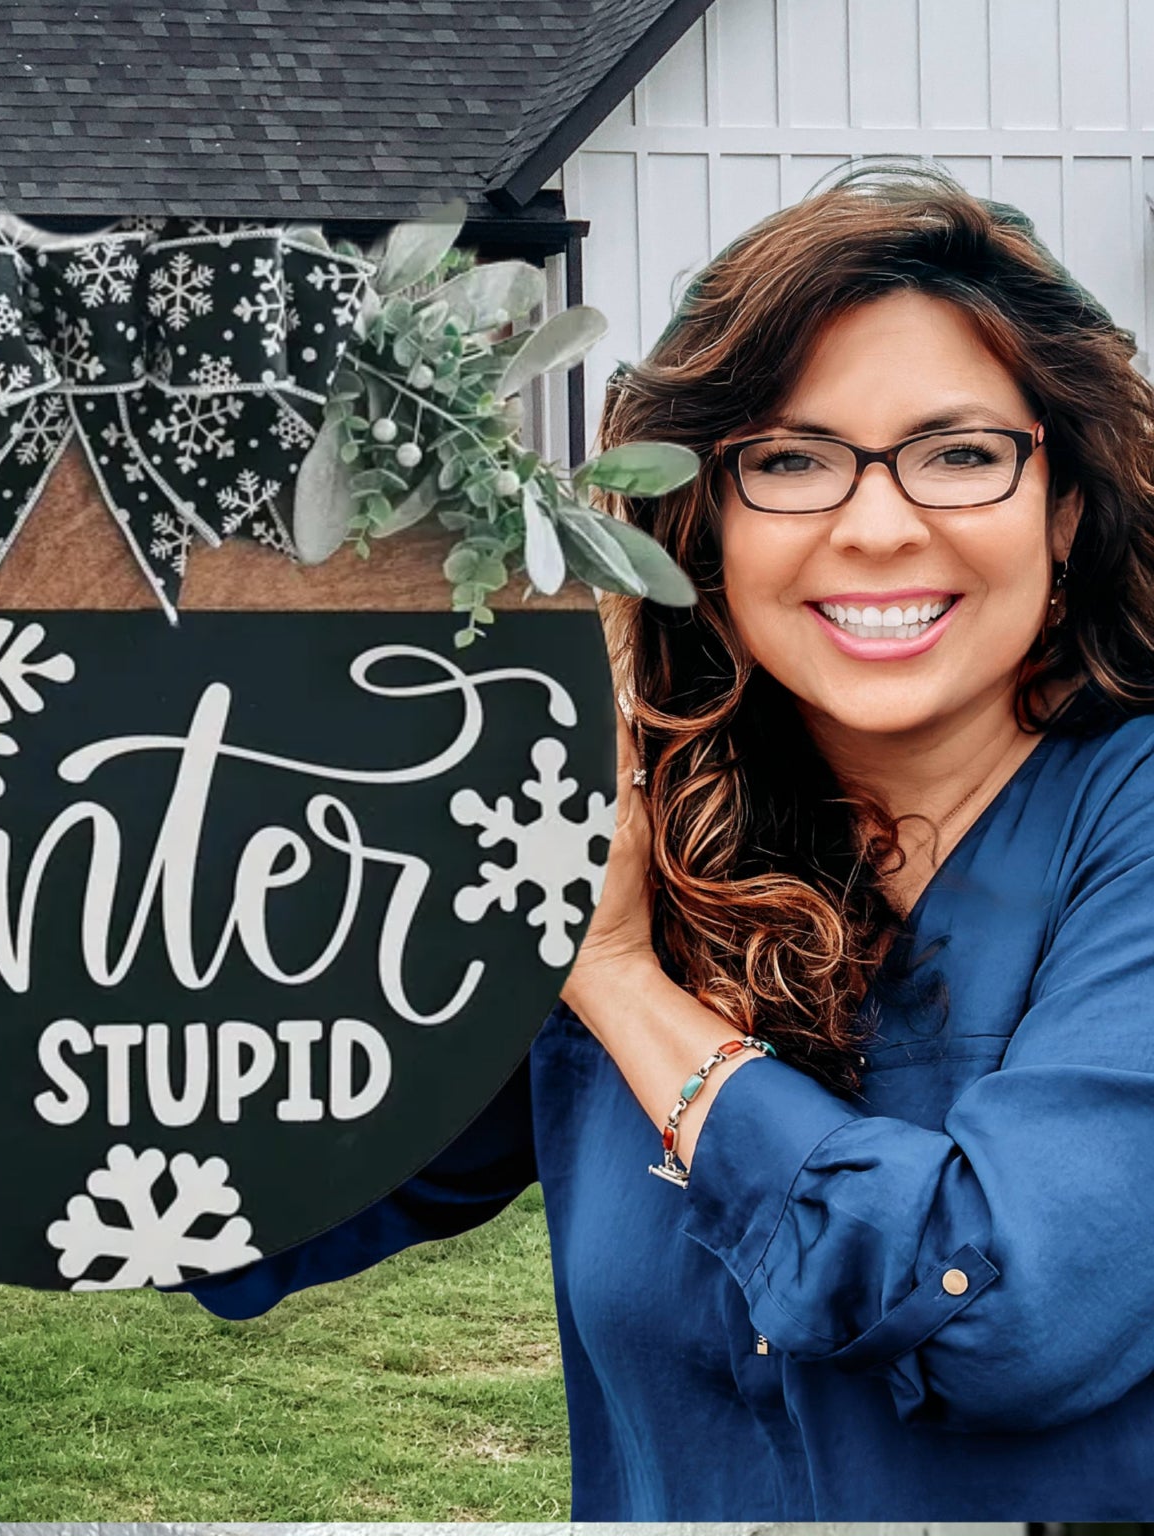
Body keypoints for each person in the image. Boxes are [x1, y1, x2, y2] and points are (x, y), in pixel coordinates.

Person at [175, 162, 1154, 1519]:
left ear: (1064, 511)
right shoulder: (645, 827)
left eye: (960, 454)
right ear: (705, 529)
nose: (879, 527)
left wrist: (621, 981)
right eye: (791, 460)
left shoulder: (1125, 827)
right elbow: (244, 1190)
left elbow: (1009, 1314)